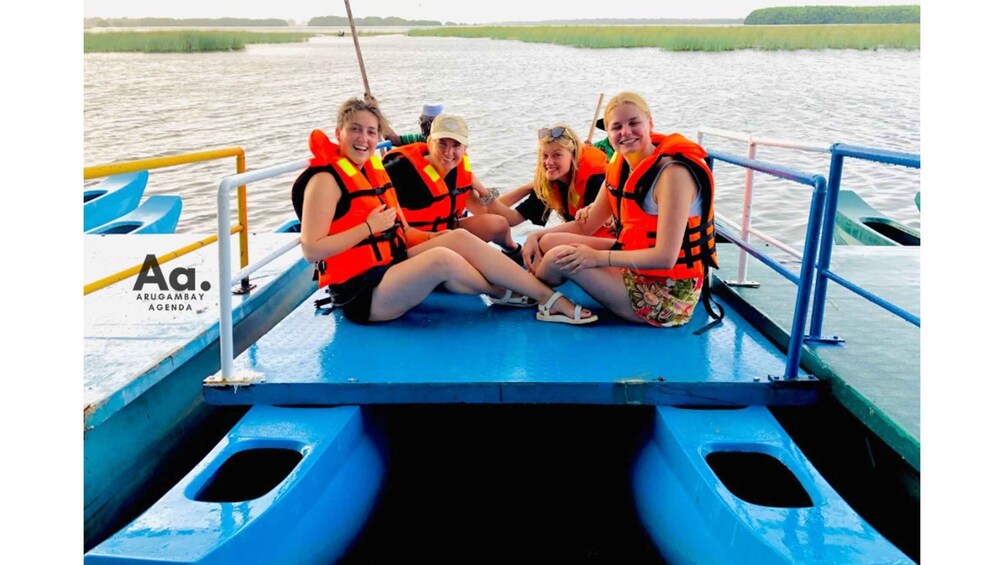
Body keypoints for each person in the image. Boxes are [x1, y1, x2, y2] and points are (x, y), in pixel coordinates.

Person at [291, 96, 597, 325]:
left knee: (457, 241)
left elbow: (403, 232)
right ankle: (513, 292)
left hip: (391, 264)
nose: (364, 139)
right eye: (355, 130)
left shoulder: (373, 173)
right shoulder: (326, 180)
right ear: (339, 132)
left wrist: (442, 235)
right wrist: (369, 228)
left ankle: (542, 298)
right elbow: (311, 250)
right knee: (443, 257)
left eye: (371, 132)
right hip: (362, 293)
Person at [530, 92, 721, 329]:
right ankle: (536, 285)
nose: (625, 132)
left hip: (668, 294)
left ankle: (532, 291)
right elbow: (586, 225)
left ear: (650, 123)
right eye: (617, 127)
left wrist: (598, 258)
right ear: (608, 134)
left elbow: (665, 256)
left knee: (558, 256)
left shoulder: (673, 175)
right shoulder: (620, 166)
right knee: (550, 240)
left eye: (634, 123)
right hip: (633, 261)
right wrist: (535, 236)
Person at [382, 113, 525, 263]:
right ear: (429, 142)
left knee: (499, 224)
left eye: (456, 145)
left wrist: (481, 188)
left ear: (465, 148)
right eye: (442, 143)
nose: (448, 152)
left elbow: (482, 211)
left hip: (447, 231)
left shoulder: (459, 170)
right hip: (412, 244)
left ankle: (514, 252)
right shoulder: (400, 171)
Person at [490, 124, 615, 266]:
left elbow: (585, 228)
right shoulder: (551, 182)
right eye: (545, 155)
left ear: (573, 154)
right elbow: (511, 218)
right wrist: (526, 188)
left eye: (557, 155)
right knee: (538, 251)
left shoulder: (595, 179)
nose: (549, 162)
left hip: (608, 245)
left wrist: (536, 236)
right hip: (580, 240)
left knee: (545, 244)